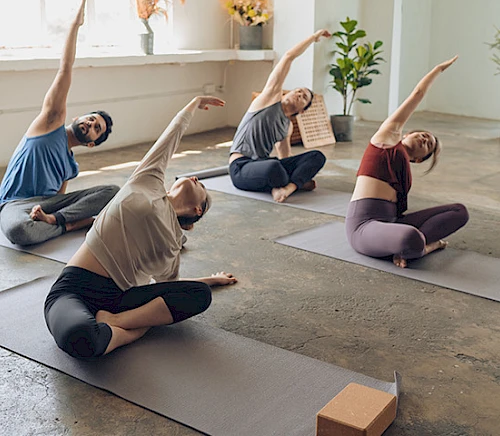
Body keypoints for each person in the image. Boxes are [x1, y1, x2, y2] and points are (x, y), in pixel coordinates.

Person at [44, 96, 237, 359]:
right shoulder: (149, 181)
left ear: (197, 210)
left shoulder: (172, 247)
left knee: (200, 295)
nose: (194, 178)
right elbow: (171, 137)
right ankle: (127, 327)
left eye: (200, 185)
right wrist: (193, 104)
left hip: (121, 299)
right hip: (75, 287)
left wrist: (211, 281)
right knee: (78, 337)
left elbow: (171, 288)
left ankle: (117, 322)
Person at [0, 0, 118, 246]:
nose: (90, 124)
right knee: (19, 232)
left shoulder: (70, 167)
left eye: (97, 129)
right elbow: (65, 68)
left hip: (46, 207)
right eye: (91, 119)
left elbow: (59, 200)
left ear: (91, 144)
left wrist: (54, 216)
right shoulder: (49, 123)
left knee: (112, 191)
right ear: (78, 118)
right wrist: (75, 26)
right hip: (15, 205)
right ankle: (71, 226)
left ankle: (61, 223)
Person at [346, 55, 469, 268]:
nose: (424, 138)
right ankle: (426, 246)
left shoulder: (404, 169)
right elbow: (417, 94)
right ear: (406, 135)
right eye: (422, 134)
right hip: (364, 227)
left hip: (392, 223)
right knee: (411, 237)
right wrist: (438, 69)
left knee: (460, 211)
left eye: (428, 144)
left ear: (419, 159)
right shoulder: (386, 138)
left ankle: (412, 247)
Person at [229, 30, 331, 203]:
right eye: (298, 90)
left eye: (304, 97)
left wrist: (293, 171)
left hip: (263, 166)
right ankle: (294, 184)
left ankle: (288, 187)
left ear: (302, 111)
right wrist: (313, 38)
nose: (298, 94)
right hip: (241, 167)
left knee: (317, 156)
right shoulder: (268, 98)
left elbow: (286, 157)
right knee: (273, 166)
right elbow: (289, 56)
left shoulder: (287, 127)